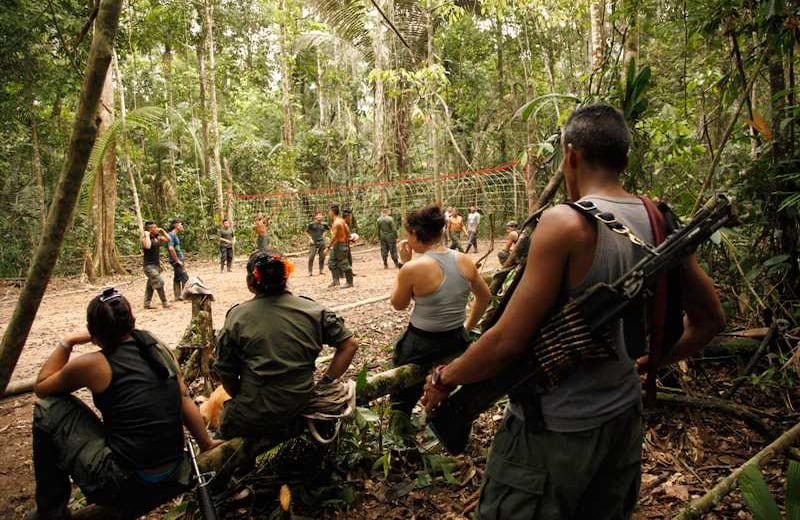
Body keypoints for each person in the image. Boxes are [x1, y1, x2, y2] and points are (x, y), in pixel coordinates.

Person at [422, 104, 725, 519]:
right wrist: (645, 363)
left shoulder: (565, 223)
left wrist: (444, 378)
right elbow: (710, 321)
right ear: (623, 159)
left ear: (571, 155)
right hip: (622, 421)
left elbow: (508, 341)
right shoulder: (659, 217)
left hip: (554, 434)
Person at [28, 288, 219, 520]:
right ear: (133, 321)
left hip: (126, 482)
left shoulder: (93, 364)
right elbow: (184, 398)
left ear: (92, 331)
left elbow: (42, 386)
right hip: (174, 468)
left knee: (47, 408)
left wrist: (67, 342)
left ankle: (51, 511)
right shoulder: (155, 346)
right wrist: (206, 443)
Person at [213, 250, 359, 439]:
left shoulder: (237, 317)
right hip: (302, 402)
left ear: (250, 282)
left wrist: (241, 394)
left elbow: (226, 371)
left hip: (254, 411)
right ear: (286, 277)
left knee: (224, 435)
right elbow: (350, 345)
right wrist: (325, 382)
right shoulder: (314, 310)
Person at [389, 204, 491, 419]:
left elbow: (398, 304)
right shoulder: (464, 260)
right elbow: (485, 297)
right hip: (455, 338)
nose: (406, 239)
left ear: (416, 234)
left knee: (402, 394)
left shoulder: (412, 268)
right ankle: (439, 418)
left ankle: (401, 427)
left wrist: (402, 263)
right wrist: (467, 328)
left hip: (420, 343)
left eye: (408, 234)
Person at [141, 221, 171, 309]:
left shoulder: (157, 237)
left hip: (156, 266)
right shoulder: (145, 239)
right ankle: (164, 302)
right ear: (149, 229)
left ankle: (147, 304)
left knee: (150, 285)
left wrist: (162, 230)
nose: (156, 228)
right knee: (159, 281)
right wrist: (146, 235)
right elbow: (147, 246)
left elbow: (168, 239)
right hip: (149, 266)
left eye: (156, 226)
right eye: (154, 227)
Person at [325, 205, 353, 288]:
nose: (328, 213)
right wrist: (348, 237)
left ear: (332, 212)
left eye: (329, 211)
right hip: (337, 245)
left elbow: (334, 237)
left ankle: (349, 282)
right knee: (331, 262)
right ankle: (335, 280)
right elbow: (347, 230)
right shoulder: (341, 220)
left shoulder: (337, 223)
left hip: (339, 245)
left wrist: (328, 247)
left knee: (344, 263)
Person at [167, 219, 189, 301]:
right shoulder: (171, 235)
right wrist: (177, 260)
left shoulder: (175, 235)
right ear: (176, 226)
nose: (182, 226)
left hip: (179, 259)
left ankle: (177, 296)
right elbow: (171, 248)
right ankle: (186, 296)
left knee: (177, 278)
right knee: (185, 277)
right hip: (176, 260)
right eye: (180, 225)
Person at [305, 211, 330, 276]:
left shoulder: (324, 224)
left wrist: (324, 235)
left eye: (321, 215)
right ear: (315, 216)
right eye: (319, 215)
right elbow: (306, 232)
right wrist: (310, 239)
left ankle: (321, 270)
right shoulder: (311, 224)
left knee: (322, 256)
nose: (320, 216)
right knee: (311, 256)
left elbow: (328, 229)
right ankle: (310, 271)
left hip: (321, 242)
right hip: (313, 242)